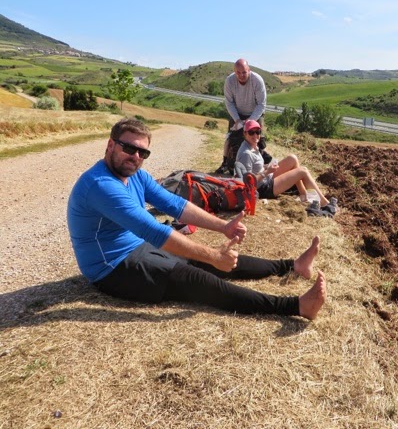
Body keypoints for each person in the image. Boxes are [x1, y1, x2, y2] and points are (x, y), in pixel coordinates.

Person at [67, 117, 326, 320]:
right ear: (110, 145)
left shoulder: (136, 176)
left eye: (142, 153)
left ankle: (292, 266)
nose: (135, 157)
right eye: (128, 148)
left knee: (205, 261)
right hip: (112, 267)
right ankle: (296, 306)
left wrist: (223, 226)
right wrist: (213, 256)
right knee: (196, 278)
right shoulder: (101, 185)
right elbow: (153, 231)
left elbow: (176, 205)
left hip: (138, 246)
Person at [235, 119, 337, 212]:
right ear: (245, 133)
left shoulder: (252, 146)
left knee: (292, 159)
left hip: (266, 178)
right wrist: (267, 171)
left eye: (257, 132)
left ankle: (304, 195)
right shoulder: (246, 154)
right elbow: (248, 183)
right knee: (303, 171)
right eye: (251, 132)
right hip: (263, 188)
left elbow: (255, 169)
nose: (255, 135)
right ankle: (325, 203)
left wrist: (266, 167)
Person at [215, 58, 271, 174]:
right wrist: (237, 120)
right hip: (237, 113)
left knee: (257, 137)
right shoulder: (229, 81)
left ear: (249, 70)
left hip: (255, 112)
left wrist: (250, 121)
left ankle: (261, 161)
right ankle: (225, 163)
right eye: (238, 72)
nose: (241, 75)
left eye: (244, 72)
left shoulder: (257, 80)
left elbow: (261, 104)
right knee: (231, 137)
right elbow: (229, 103)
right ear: (234, 71)